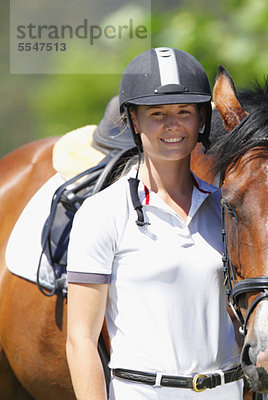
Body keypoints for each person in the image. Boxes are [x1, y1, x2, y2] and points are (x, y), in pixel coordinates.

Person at [66, 47, 244, 400]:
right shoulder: (102, 213)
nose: (172, 125)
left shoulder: (226, 210)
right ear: (134, 120)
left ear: (201, 120)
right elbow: (81, 339)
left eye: (184, 112)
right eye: (157, 113)